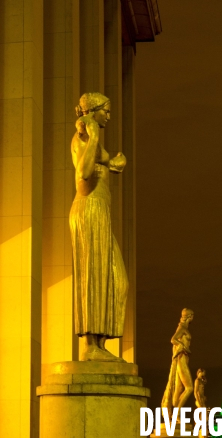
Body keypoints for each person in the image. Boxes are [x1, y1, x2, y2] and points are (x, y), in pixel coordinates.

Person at [69, 92, 128, 361]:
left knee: (117, 281)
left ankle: (101, 343)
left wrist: (115, 162)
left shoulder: (96, 144)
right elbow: (83, 172)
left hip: (101, 212)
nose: (109, 115)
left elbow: (108, 161)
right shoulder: (82, 139)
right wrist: (91, 134)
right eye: (106, 110)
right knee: (93, 275)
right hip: (89, 210)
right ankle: (90, 346)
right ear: (93, 111)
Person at [161, 308, 194, 419]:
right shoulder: (183, 327)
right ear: (190, 316)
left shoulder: (184, 327)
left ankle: (174, 414)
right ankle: (177, 414)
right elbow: (173, 339)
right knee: (189, 388)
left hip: (183, 358)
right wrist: (183, 347)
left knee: (178, 391)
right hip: (182, 359)